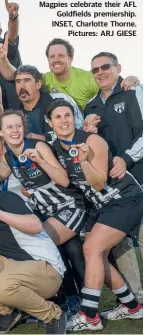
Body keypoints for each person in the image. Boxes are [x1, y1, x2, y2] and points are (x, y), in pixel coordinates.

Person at [45, 100, 143, 332]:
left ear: (74, 118)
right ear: (50, 123)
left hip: (123, 197)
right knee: (96, 254)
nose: (63, 121)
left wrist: (84, 162)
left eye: (67, 115)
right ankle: (132, 307)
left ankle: (89, 315)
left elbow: (98, 183)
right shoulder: (53, 147)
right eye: (57, 117)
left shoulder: (92, 140)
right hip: (97, 206)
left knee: (92, 250)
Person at [0, 162, 67, 334]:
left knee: (1, 286)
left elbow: (36, 225)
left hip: (44, 268)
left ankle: (53, 315)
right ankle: (9, 312)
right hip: (12, 266)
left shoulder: (5, 198)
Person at [0, 110, 87, 293]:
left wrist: (41, 161)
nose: (15, 131)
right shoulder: (8, 157)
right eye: (9, 127)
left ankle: (71, 298)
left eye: (18, 126)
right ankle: (78, 298)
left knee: (44, 245)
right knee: (71, 249)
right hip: (48, 212)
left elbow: (64, 180)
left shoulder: (38, 146)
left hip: (69, 205)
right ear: (0, 132)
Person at [85, 52, 143, 303]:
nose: (100, 72)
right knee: (120, 243)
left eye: (105, 67)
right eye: (95, 70)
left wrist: (128, 159)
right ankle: (136, 299)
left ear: (118, 67)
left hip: (138, 175)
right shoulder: (90, 107)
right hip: (112, 185)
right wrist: (87, 131)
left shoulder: (134, 92)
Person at [0, 60, 83, 141]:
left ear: (38, 84)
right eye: (18, 82)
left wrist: (44, 138)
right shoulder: (15, 114)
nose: (22, 86)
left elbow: (78, 127)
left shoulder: (59, 100)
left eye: (27, 80)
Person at [42, 39, 139, 110]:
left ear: (70, 58)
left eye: (61, 56)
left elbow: (114, 86)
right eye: (52, 57)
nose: (56, 60)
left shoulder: (88, 78)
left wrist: (130, 80)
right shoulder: (43, 79)